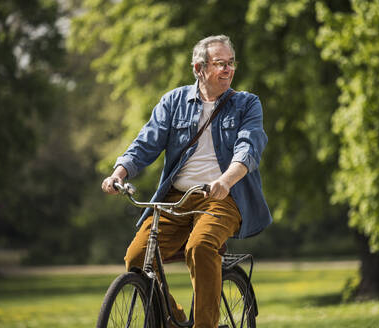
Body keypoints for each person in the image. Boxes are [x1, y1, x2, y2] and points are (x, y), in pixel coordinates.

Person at [101, 35, 272, 328]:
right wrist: (119, 172)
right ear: (199, 68)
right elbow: (146, 143)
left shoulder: (247, 104)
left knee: (201, 247)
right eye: (220, 64)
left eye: (231, 63)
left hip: (222, 199)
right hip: (175, 199)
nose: (228, 70)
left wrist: (226, 180)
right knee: (137, 258)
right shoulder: (174, 101)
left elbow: (248, 148)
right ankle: (173, 318)